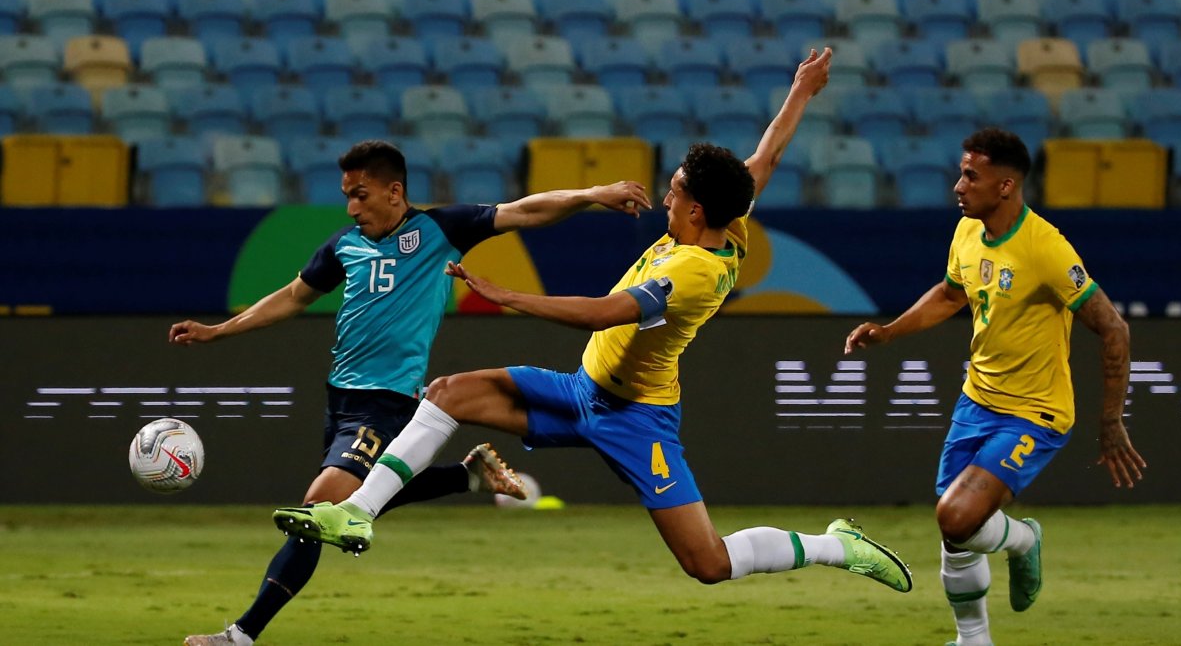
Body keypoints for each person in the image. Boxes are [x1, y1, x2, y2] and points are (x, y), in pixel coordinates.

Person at [274, 48, 915, 596]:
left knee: (708, 563)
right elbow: (767, 156)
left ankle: (835, 545)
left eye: (674, 189)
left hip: (637, 417)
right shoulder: (728, 218)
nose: (665, 194)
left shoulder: (695, 271)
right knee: (447, 394)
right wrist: (801, 91)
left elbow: (606, 313)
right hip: (581, 391)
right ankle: (356, 513)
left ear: (694, 209)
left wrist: (509, 295)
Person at [174, 139, 653, 646]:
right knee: (361, 495)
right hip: (341, 400)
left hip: (387, 402)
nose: (351, 207)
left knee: (317, 513)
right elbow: (294, 296)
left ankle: (241, 635)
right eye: (347, 196)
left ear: (395, 192)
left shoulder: (441, 229)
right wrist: (219, 331)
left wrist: (594, 192)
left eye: (360, 195)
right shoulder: (344, 246)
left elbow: (525, 211)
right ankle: (468, 477)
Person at [843, 128, 1147, 646]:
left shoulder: (1046, 248)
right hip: (976, 400)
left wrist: (1111, 419)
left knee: (956, 516)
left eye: (970, 176)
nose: (958, 186)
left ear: (1005, 186)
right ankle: (973, 641)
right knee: (954, 531)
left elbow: (1114, 328)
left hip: (1036, 412)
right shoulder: (967, 232)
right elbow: (948, 294)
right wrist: (890, 331)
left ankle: (1024, 539)